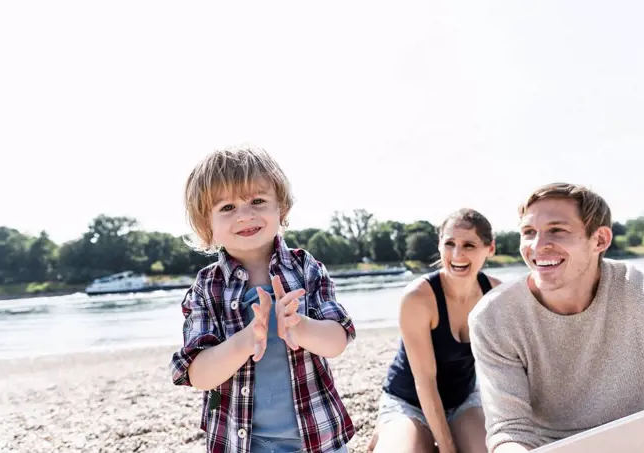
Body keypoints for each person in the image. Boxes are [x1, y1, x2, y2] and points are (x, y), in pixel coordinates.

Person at [169, 145, 356, 453]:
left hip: (317, 438)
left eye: (257, 201)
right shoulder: (207, 286)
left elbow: (337, 341)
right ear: (208, 223)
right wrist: (245, 340)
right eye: (227, 207)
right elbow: (198, 374)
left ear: (280, 208)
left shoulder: (305, 268)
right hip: (240, 443)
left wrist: (301, 327)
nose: (245, 214)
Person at [469, 182, 644, 453]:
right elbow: (510, 430)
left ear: (600, 240)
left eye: (557, 231)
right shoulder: (494, 318)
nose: (538, 246)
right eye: (528, 232)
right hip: (553, 447)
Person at [370, 208, 502, 453]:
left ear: (490, 249)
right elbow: (425, 382)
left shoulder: (495, 295)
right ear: (440, 246)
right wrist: (447, 447)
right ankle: (391, 429)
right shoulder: (418, 298)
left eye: (469, 245)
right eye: (449, 243)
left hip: (463, 401)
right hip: (409, 402)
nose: (457, 254)